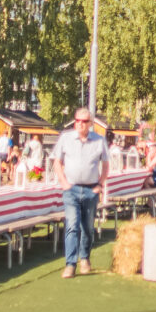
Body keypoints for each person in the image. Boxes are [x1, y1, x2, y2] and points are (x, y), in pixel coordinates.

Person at [53, 107, 109, 278]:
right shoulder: (66, 138)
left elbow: (105, 164)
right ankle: (70, 264)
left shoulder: (99, 141)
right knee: (71, 225)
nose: (80, 124)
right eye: (77, 120)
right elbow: (57, 161)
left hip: (91, 189)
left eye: (84, 121)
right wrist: (63, 182)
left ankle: (84, 257)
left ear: (90, 123)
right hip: (71, 189)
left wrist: (100, 184)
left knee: (87, 228)